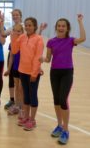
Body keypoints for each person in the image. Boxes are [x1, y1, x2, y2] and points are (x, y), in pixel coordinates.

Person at [40, 15, 86, 144]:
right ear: (56, 28)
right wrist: (43, 59)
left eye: (63, 26)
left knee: (63, 100)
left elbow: (83, 38)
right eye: (59, 26)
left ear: (67, 29)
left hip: (67, 72)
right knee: (56, 100)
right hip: (54, 73)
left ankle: (66, 130)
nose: (61, 28)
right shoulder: (51, 42)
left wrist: (80, 22)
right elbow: (48, 59)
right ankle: (59, 125)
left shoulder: (71, 40)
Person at [11, 17, 44, 131]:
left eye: (30, 25)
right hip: (22, 71)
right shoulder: (22, 37)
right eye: (26, 25)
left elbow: (37, 57)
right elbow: (14, 51)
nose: (28, 27)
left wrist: (34, 73)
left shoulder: (39, 39)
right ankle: (26, 117)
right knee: (26, 96)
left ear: (35, 26)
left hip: (33, 73)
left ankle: (32, 120)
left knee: (33, 95)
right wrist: (14, 35)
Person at [4, 24, 24, 117]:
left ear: (23, 32)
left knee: (21, 88)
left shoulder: (25, 42)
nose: (17, 33)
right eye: (15, 31)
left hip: (24, 68)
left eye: (19, 31)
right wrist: (8, 69)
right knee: (17, 87)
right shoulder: (12, 43)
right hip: (15, 67)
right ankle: (17, 106)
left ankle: (22, 108)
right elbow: (11, 56)